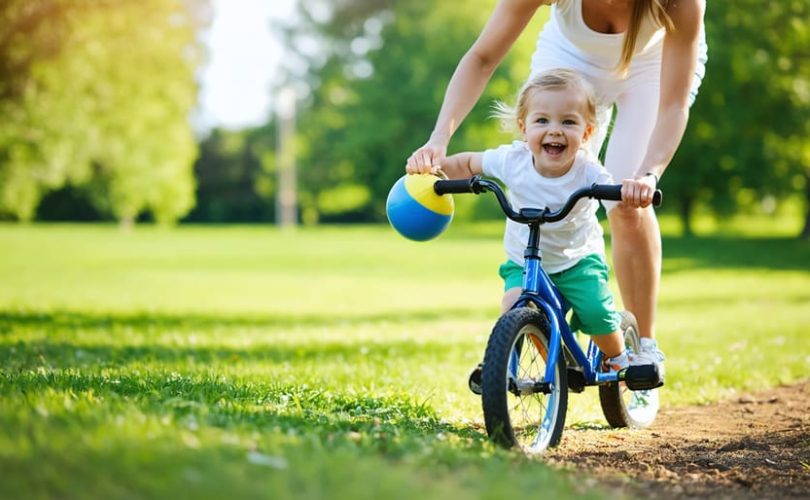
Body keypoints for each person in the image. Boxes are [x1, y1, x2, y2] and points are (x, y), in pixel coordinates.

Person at [406, 0, 709, 374]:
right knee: (539, 171)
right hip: (571, 56)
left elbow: (673, 105)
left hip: (653, 68)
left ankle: (643, 348)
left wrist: (649, 174)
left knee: (627, 205)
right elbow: (483, 57)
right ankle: (543, 319)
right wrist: (438, 141)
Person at [408, 68, 655, 392]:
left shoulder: (589, 172)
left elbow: (617, 194)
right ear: (524, 129)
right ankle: (502, 366)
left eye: (568, 122)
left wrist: (631, 191)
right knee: (514, 308)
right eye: (542, 121)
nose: (555, 130)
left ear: (587, 133)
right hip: (524, 262)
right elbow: (467, 164)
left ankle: (622, 361)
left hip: (576, 262)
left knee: (598, 314)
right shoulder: (513, 160)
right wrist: (434, 170)